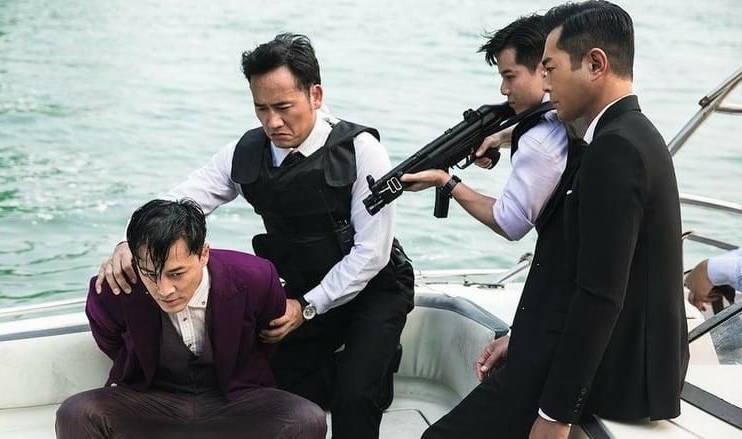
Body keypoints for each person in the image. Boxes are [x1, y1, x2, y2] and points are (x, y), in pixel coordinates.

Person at [94, 33, 414, 439]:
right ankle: (363, 368)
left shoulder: (362, 150)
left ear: (315, 95)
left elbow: (372, 253)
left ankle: (369, 369)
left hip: (375, 289)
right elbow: (183, 200)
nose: (272, 122)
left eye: (283, 107)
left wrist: (307, 307)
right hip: (301, 286)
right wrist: (129, 243)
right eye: (261, 108)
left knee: (355, 397)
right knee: (270, 386)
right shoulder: (244, 152)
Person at [424, 2, 689, 438]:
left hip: (613, 378)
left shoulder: (615, 149)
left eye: (550, 69)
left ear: (595, 64)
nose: (545, 84)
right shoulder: (628, 134)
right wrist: (523, 337)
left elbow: (601, 294)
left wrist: (555, 413)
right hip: (595, 355)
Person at [401, 13, 581, 439]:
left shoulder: (538, 142)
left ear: (543, 70)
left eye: (509, 76)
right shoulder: (569, 124)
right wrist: (501, 136)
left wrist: (448, 183)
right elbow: (545, 123)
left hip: (551, 335)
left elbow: (510, 222)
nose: (503, 89)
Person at [56, 199, 326, 439]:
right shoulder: (114, 288)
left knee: (306, 419)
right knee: (77, 413)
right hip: (151, 400)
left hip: (235, 399)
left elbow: (268, 338)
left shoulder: (257, 277)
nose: (164, 289)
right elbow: (111, 342)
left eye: (176, 274)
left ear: (203, 254)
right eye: (150, 274)